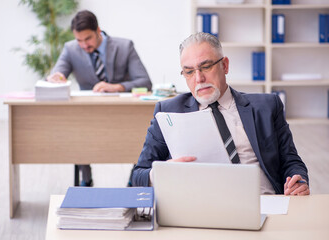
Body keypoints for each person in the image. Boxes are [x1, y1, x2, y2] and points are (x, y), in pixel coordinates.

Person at [132, 32, 310, 196]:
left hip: (263, 202)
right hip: (201, 209)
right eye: (189, 72)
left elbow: (291, 161)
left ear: (224, 65)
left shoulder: (267, 106)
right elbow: (138, 176)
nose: (199, 78)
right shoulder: (168, 112)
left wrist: (298, 180)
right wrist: (162, 173)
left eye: (206, 67)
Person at [47, 10, 152, 187]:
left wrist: (117, 87)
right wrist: (55, 78)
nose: (83, 45)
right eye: (79, 40)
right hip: (88, 115)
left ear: (98, 31)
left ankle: (134, 178)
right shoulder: (70, 49)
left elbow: (145, 82)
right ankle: (86, 179)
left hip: (123, 113)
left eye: (87, 39)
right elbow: (56, 75)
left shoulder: (125, 47)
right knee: (76, 129)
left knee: (141, 128)